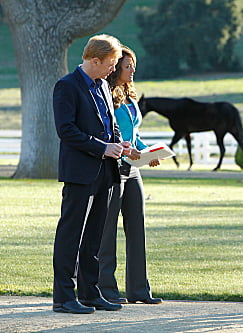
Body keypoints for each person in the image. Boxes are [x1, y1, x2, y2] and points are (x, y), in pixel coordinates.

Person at [52, 34, 138, 314]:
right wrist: (103, 148)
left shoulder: (102, 85)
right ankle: (64, 297)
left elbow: (110, 124)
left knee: (95, 237)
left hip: (106, 172)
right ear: (95, 60)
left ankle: (90, 293)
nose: (114, 70)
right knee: (71, 234)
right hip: (80, 173)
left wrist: (119, 144)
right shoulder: (66, 86)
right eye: (111, 64)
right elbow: (66, 131)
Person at [97, 45, 163, 305]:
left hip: (133, 170)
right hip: (113, 168)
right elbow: (111, 135)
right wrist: (128, 151)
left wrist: (149, 152)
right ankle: (106, 290)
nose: (133, 70)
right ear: (116, 69)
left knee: (137, 228)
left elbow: (134, 135)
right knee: (107, 231)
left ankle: (138, 290)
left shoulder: (130, 97)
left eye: (133, 65)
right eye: (128, 66)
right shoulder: (105, 96)